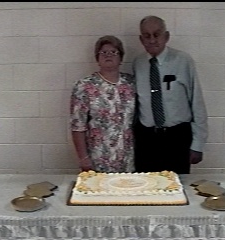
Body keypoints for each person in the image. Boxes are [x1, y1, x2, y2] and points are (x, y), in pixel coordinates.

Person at [133, 15, 208, 174]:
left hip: (177, 137)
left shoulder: (183, 60)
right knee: (147, 189)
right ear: (141, 39)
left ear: (166, 36)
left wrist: (198, 144)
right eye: (147, 36)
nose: (152, 40)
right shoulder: (138, 63)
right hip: (147, 139)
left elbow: (197, 102)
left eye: (156, 34)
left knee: (177, 189)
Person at [70, 35, 136, 173]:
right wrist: (83, 158)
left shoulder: (131, 83)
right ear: (97, 58)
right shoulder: (85, 86)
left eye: (113, 52)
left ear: (121, 58)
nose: (108, 55)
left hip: (128, 158)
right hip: (98, 159)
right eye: (104, 52)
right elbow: (78, 126)